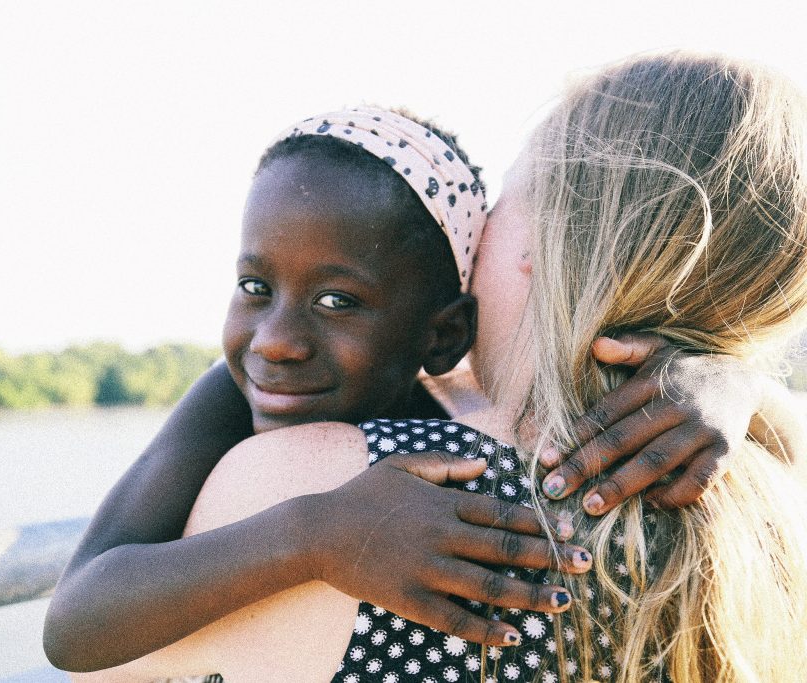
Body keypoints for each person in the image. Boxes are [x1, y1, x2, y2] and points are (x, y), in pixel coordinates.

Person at [67, 51, 807, 682]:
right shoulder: (764, 514)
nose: (477, 239)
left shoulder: (320, 486)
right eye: (255, 287)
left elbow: (86, 642)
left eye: (506, 201)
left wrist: (313, 531)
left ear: (545, 240)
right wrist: (736, 381)